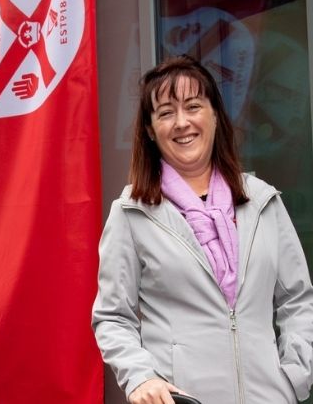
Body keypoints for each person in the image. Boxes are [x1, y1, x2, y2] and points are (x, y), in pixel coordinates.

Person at [92, 55, 313, 404]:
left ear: (214, 116)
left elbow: (298, 299)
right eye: (166, 113)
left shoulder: (262, 201)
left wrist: (294, 376)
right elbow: (113, 317)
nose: (182, 123)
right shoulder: (131, 213)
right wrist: (140, 378)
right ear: (150, 130)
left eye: (193, 106)